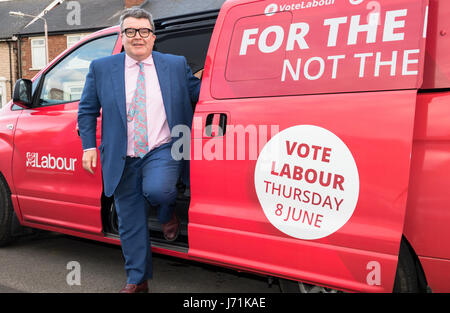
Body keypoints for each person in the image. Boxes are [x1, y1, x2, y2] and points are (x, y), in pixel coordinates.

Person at [77, 7, 201, 293]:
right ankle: (137, 280)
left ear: (153, 37)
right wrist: (88, 146)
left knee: (159, 190)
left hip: (162, 147)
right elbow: (86, 111)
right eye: (131, 31)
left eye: (144, 31)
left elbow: (198, 92)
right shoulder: (101, 68)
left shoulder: (174, 64)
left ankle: (167, 211)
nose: (138, 37)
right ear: (122, 36)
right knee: (130, 222)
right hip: (122, 157)